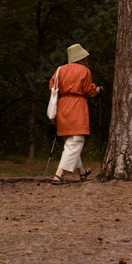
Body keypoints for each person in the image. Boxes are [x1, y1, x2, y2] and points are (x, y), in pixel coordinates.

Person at [49, 44, 102, 184]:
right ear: (81, 57)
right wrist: (98, 90)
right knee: (76, 141)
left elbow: (53, 86)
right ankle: (58, 174)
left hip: (63, 106)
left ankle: (82, 173)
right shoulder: (84, 71)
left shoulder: (60, 70)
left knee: (70, 142)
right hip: (77, 107)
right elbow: (89, 92)